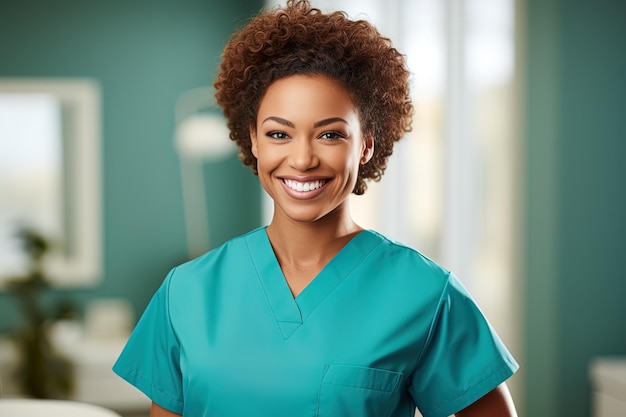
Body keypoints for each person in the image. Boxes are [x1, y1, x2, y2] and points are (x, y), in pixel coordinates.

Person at [113, 1, 519, 416]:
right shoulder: (186, 292)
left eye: (329, 134)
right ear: (253, 140)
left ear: (366, 145)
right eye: (278, 134)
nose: (303, 159)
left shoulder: (427, 295)